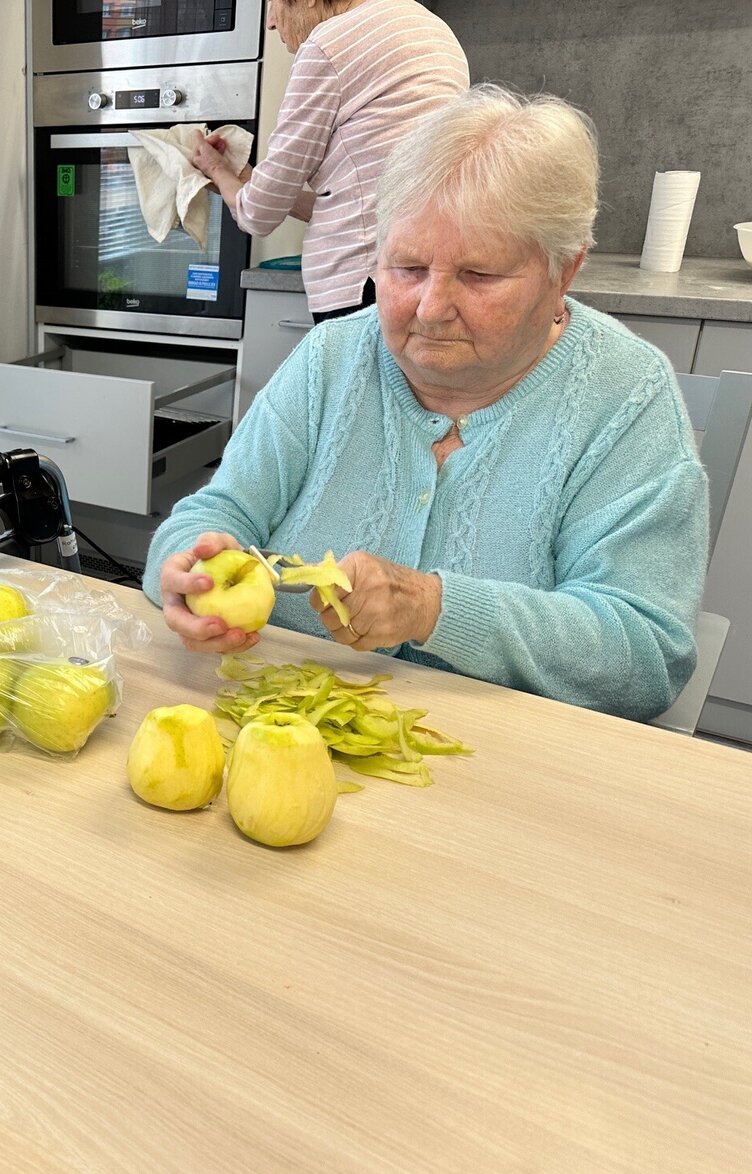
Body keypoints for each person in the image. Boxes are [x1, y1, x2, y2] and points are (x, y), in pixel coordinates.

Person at [147, 86, 710, 722]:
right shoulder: (332, 356)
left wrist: (435, 608)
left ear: (565, 271)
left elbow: (646, 653)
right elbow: (219, 512)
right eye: (408, 268)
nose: (432, 307)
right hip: (271, 721)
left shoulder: (625, 395)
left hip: (501, 756)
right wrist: (184, 568)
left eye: (479, 275)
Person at [194, 0, 468, 322]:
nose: (270, 22)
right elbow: (357, 203)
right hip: (425, 277)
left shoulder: (328, 44)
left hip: (361, 285)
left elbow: (258, 214)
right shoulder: (434, 30)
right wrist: (248, 180)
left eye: (274, 3)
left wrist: (216, 170)